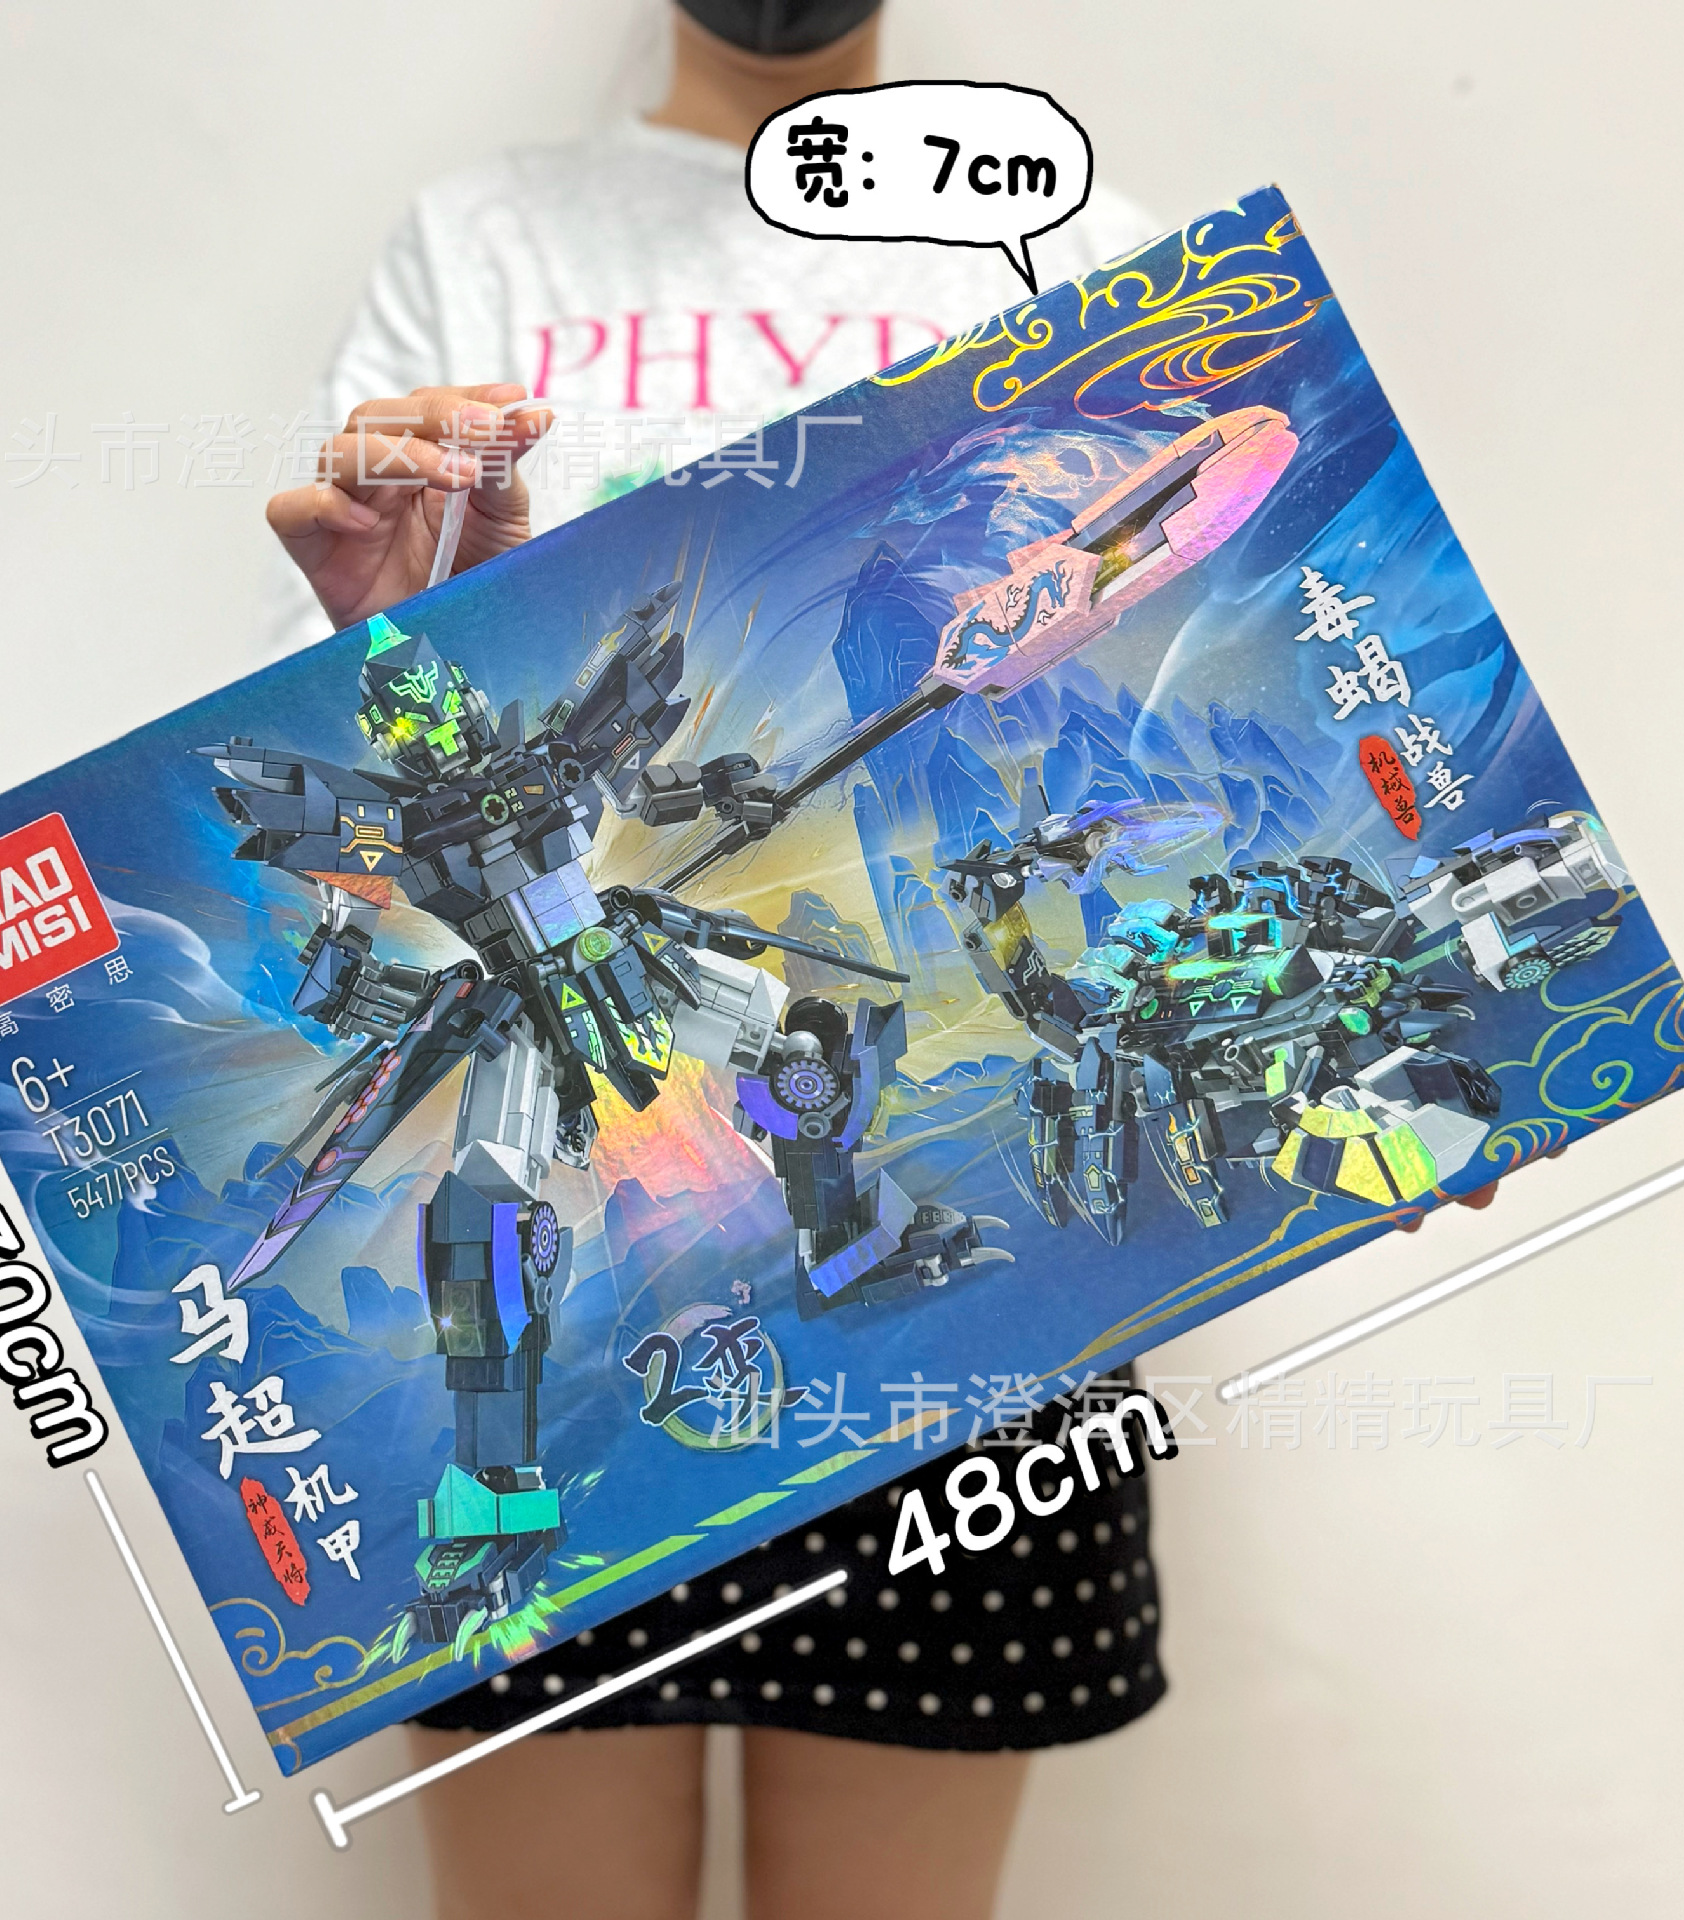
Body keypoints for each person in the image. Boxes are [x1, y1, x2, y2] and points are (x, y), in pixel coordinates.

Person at [265, 6, 1172, 1917]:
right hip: (542, 1022)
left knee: (796, 1040)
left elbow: (1136, 741)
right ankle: (496, 1490)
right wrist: (376, 639)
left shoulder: (1073, 249)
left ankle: (852, 1238)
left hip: (968, 1382)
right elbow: (329, 827)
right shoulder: (488, 242)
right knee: (487, 1216)